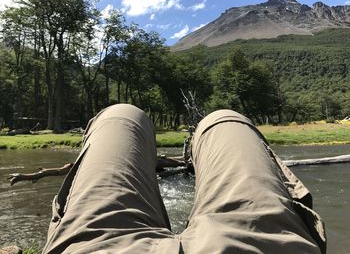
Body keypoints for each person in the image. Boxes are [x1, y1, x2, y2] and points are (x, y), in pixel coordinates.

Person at [42, 104, 326, 254]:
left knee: (123, 114)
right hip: (264, 245)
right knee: (224, 119)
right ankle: (210, 127)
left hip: (95, 247)